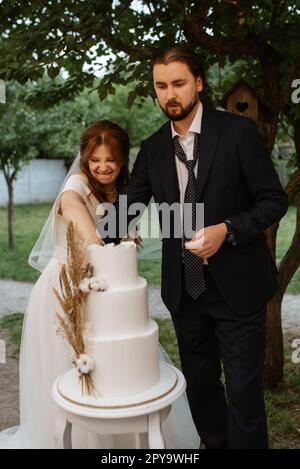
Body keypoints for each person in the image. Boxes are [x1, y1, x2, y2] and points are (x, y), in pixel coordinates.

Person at [98, 45, 289, 449]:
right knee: (202, 395)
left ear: (198, 84)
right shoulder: (151, 149)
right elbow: (127, 212)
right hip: (186, 294)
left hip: (239, 291)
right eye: (161, 86)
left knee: (243, 398)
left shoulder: (237, 132)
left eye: (179, 84)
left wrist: (228, 229)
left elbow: (274, 199)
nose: (171, 94)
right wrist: (83, 220)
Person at [0, 119, 199, 449]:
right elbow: (83, 224)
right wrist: (103, 239)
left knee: (120, 367)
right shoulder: (74, 188)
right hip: (65, 291)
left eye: (111, 160)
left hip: (108, 291)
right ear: (84, 160)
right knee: (73, 371)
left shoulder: (122, 191)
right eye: (95, 160)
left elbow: (130, 230)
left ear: (122, 160)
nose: (103, 167)